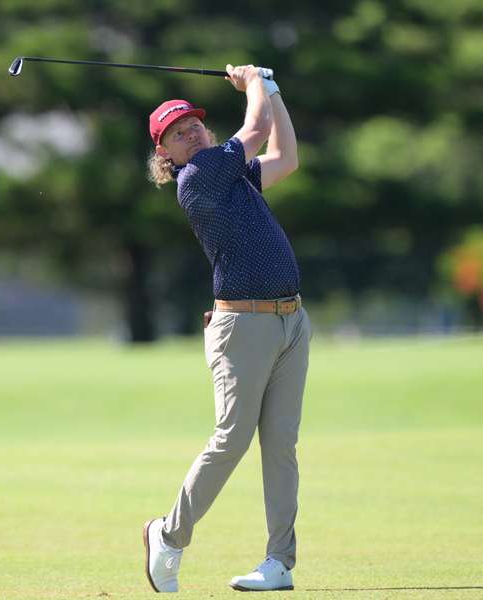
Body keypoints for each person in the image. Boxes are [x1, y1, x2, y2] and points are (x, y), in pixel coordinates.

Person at [143, 64, 312, 593]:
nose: (190, 130)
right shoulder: (199, 177)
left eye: (193, 123)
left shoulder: (231, 174)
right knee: (231, 439)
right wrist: (253, 83)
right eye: (177, 131)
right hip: (244, 326)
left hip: (290, 321)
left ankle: (278, 562)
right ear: (165, 155)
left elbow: (286, 157)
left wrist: (273, 89)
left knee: (281, 445)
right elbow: (257, 129)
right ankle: (168, 536)